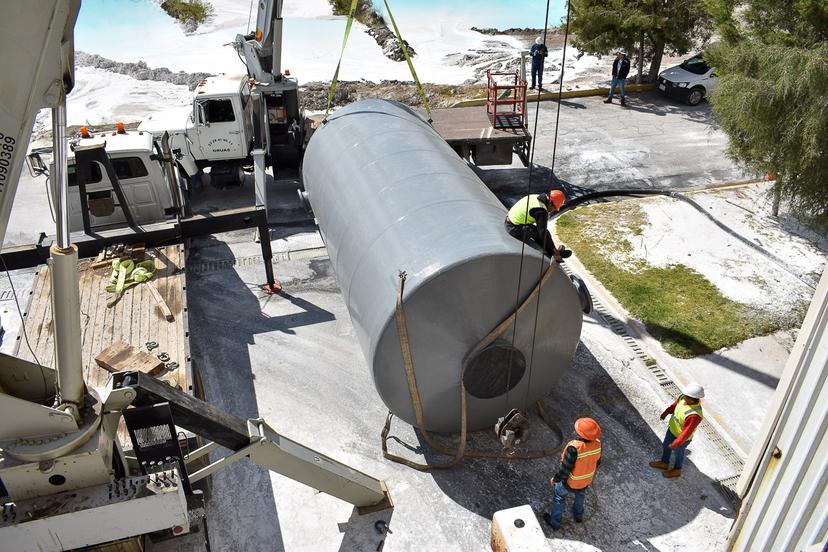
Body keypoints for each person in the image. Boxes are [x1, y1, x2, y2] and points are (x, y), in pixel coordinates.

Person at [542, 418, 602, 530]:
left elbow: (565, 468)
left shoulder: (574, 448)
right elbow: (597, 462)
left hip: (569, 482)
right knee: (580, 496)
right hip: (585, 481)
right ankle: (578, 516)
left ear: (580, 433)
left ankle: (554, 523)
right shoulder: (598, 445)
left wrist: (556, 479)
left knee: (559, 498)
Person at [649, 383, 705, 478]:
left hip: (682, 439)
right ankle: (664, 463)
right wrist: (666, 412)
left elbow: (686, 432)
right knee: (665, 445)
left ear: (692, 399)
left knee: (678, 453)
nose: (684, 397)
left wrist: (677, 442)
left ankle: (677, 470)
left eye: (687, 396)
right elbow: (675, 405)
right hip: (672, 430)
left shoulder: (694, 415)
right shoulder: (683, 397)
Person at [505, 190, 572, 262]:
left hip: (509, 221)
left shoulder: (535, 197)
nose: (553, 210)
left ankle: (552, 251)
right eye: (555, 208)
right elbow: (543, 233)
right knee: (541, 233)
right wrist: (553, 249)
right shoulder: (540, 210)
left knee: (538, 231)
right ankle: (554, 254)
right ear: (550, 203)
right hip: (513, 228)